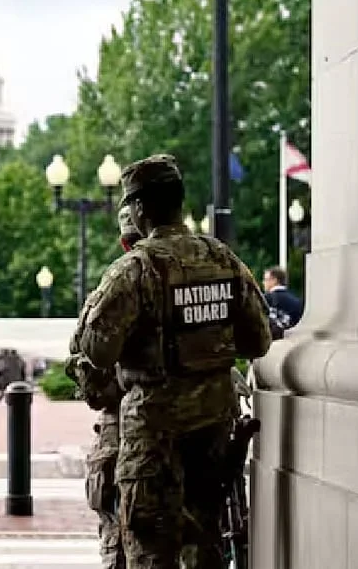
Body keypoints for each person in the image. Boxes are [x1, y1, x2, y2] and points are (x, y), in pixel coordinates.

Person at [70, 154, 272, 568]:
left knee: (150, 549)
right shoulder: (222, 259)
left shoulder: (136, 269)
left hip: (154, 433)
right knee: (206, 541)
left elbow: (96, 350)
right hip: (213, 428)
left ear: (139, 209)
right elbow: (258, 340)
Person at [72, 205, 142, 569]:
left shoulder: (117, 283)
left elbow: (90, 366)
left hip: (131, 431)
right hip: (204, 427)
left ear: (124, 242)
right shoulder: (214, 265)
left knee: (125, 535)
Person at [262, 265, 303, 339]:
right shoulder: (297, 301)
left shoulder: (265, 299)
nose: (263, 283)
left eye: (265, 279)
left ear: (274, 280)